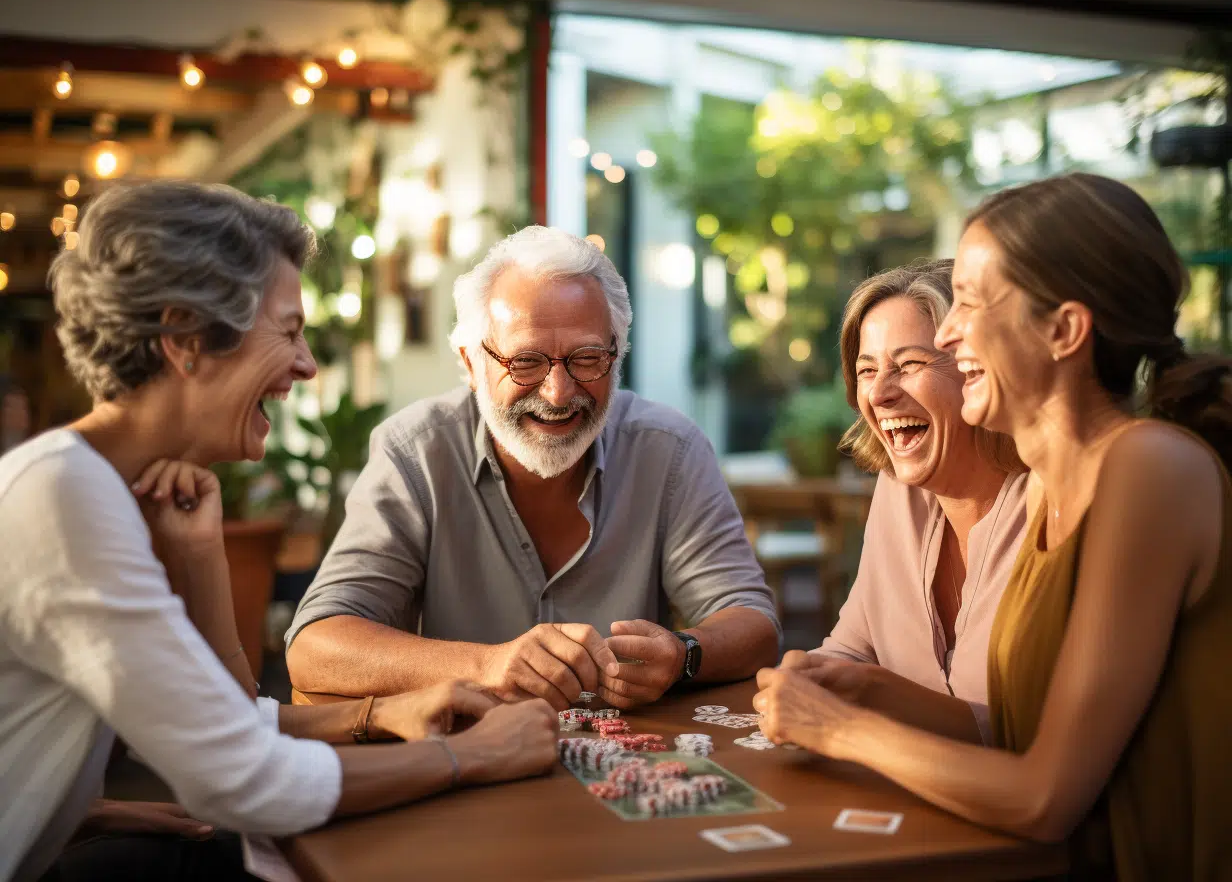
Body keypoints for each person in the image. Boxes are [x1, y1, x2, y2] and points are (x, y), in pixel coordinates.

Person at [0, 182, 557, 882]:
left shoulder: (91, 487)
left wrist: (201, 558)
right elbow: (242, 780)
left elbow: (219, 724)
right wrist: (472, 757)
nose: (306, 365)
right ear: (186, 340)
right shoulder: (64, 499)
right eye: (289, 331)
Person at [754, 173, 1232, 879]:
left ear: (1064, 330)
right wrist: (871, 689)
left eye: (973, 302)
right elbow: (1022, 733)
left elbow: (1044, 795)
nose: (948, 330)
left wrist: (843, 728)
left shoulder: (1148, 467)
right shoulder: (1057, 484)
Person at [286, 226, 780, 711]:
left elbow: (753, 624)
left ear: (617, 356)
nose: (558, 392)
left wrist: (684, 654)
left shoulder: (670, 451)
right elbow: (314, 647)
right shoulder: (413, 452)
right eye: (525, 362)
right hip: (458, 764)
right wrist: (486, 666)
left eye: (587, 358)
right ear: (470, 363)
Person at [781, 261, 1026, 744]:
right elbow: (852, 650)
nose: (879, 394)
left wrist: (868, 698)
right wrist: (804, 678)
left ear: (979, 369)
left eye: (910, 365)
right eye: (866, 370)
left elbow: (1047, 740)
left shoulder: (1052, 501)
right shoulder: (898, 492)